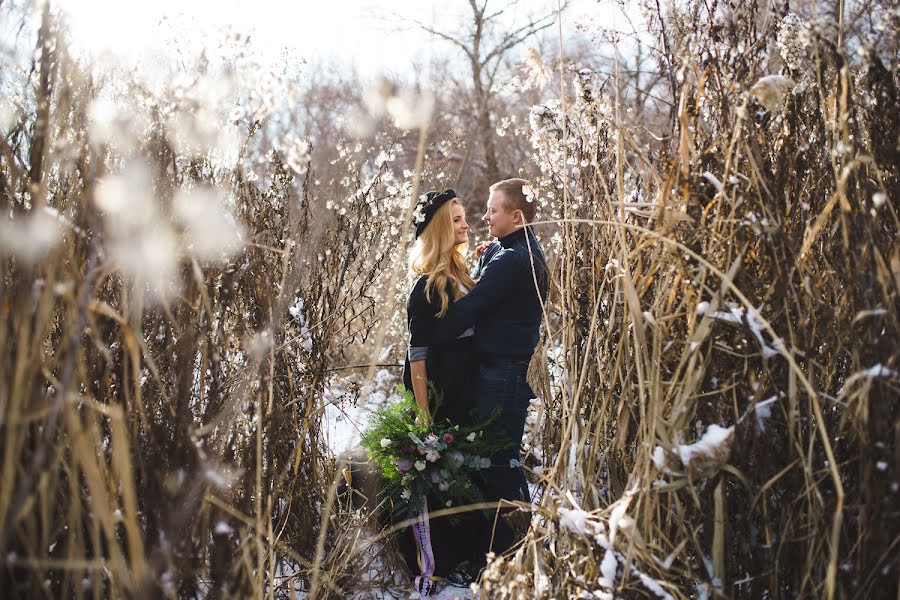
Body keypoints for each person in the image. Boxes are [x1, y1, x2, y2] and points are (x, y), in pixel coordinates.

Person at [430, 178, 548, 559]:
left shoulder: (517, 259)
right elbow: (489, 283)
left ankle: (513, 553)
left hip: (505, 375)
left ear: (516, 216)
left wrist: (426, 330)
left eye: (493, 210)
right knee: (494, 459)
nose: (485, 216)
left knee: (501, 463)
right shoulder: (510, 248)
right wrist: (487, 254)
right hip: (496, 372)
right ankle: (501, 551)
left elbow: (471, 306)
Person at [398, 188, 484, 594]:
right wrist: (424, 413)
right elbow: (417, 356)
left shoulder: (464, 277)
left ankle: (472, 552)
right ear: (438, 229)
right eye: (456, 219)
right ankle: (445, 560)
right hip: (438, 393)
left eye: (465, 217)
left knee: (468, 472)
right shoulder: (426, 287)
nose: (465, 224)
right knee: (444, 479)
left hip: (467, 389)